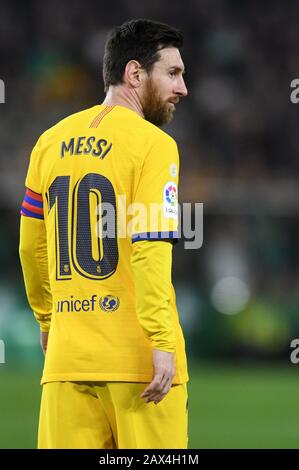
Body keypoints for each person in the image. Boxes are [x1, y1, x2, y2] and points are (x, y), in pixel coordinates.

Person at [19, 18, 189, 449]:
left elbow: (30, 246)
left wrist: (47, 320)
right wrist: (162, 340)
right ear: (135, 73)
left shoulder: (48, 142)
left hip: (66, 360)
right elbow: (150, 246)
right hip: (138, 364)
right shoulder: (154, 145)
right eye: (173, 73)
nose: (183, 87)